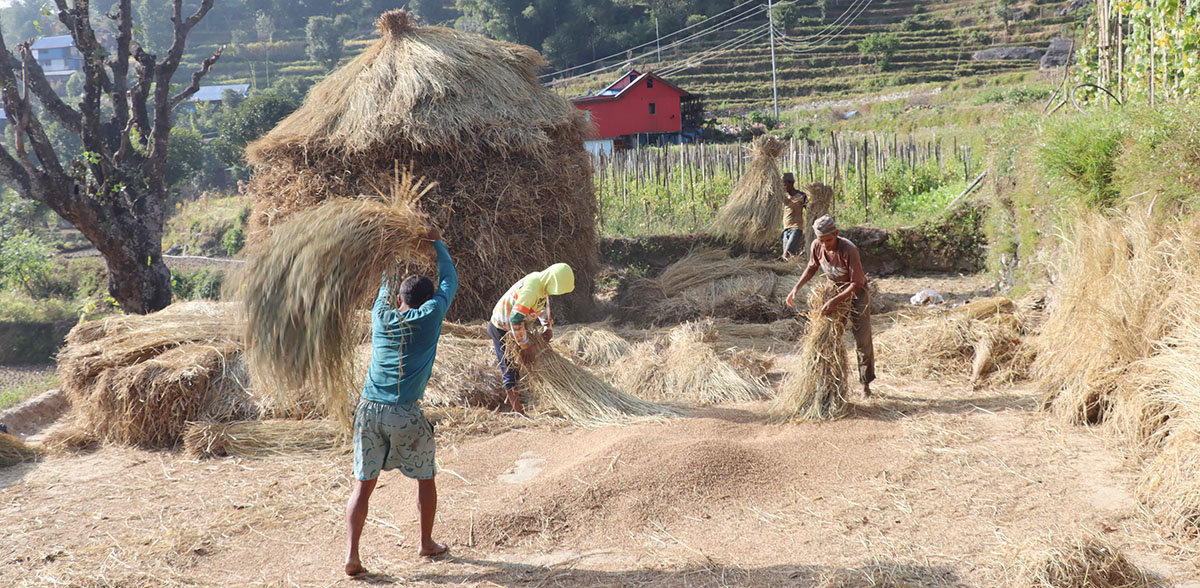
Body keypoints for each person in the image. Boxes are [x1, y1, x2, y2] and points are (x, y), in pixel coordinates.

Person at [345, 226, 456, 577]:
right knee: (425, 476)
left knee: (363, 485)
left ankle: (352, 557)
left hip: (368, 410)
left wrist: (391, 244)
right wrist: (436, 241)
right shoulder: (430, 317)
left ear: (398, 300)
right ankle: (425, 543)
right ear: (428, 300)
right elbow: (449, 281)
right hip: (405, 414)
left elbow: (383, 283)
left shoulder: (381, 316)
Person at [784, 214, 876, 398]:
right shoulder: (817, 246)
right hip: (832, 291)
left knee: (862, 338)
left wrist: (835, 301)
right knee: (830, 337)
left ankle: (865, 385)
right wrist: (796, 288)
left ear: (837, 233)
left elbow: (857, 283)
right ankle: (830, 383)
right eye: (821, 240)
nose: (825, 244)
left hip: (856, 293)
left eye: (829, 239)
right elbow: (812, 266)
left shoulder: (849, 250)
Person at [487, 263, 575, 414]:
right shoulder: (531, 288)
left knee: (530, 361)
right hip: (502, 329)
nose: (553, 294)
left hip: (518, 329)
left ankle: (517, 400)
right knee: (510, 368)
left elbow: (542, 305)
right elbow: (515, 319)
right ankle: (518, 412)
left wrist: (547, 326)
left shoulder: (542, 285)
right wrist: (525, 346)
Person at [779, 172, 809, 261]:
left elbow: (809, 209)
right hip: (786, 228)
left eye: (784, 184)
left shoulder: (801, 195)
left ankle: (782, 269)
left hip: (796, 228)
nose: (783, 187)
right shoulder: (783, 196)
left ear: (791, 183)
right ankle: (788, 270)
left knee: (787, 253)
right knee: (788, 254)